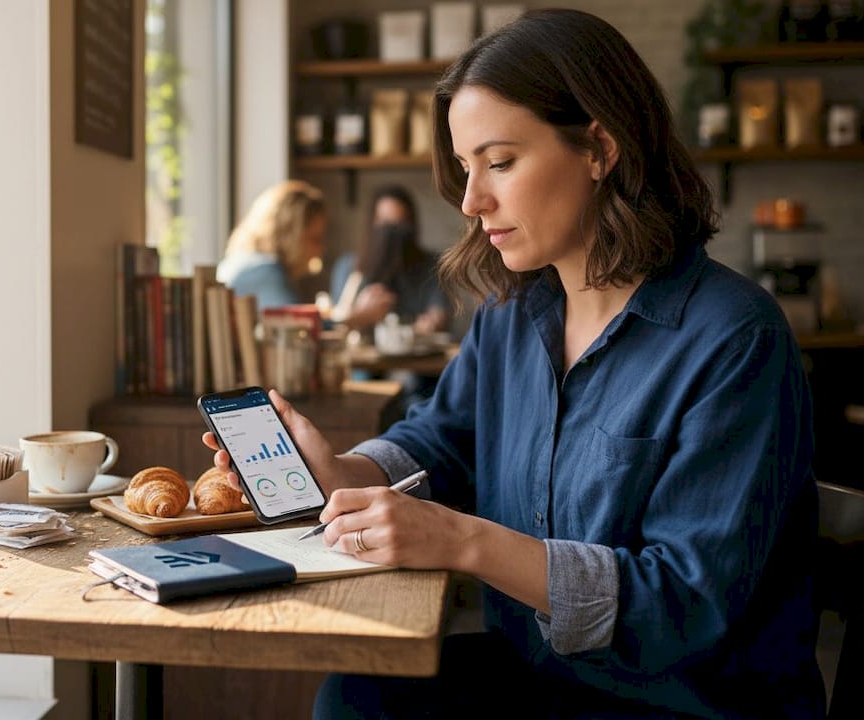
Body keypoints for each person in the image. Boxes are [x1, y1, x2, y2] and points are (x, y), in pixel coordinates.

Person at [205, 9, 822, 718]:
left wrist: (463, 539)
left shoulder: (734, 339)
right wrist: (345, 473)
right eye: (467, 168)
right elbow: (442, 438)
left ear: (599, 148)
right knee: (355, 695)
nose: (472, 201)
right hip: (545, 680)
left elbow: (682, 603)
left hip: (687, 702)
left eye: (499, 162)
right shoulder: (515, 313)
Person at [329, 185, 449, 336]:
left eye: (399, 225)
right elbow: (336, 322)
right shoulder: (348, 267)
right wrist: (361, 314)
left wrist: (432, 322)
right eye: (385, 224)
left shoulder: (431, 266)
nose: (391, 235)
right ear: (372, 224)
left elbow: (439, 313)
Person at [216, 179, 327, 310]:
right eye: (314, 239)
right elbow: (297, 323)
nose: (320, 249)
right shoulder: (267, 272)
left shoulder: (241, 260)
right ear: (290, 235)